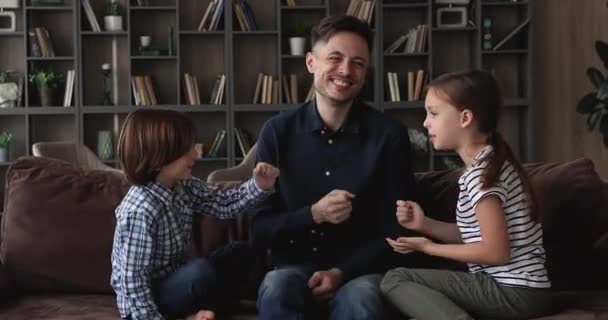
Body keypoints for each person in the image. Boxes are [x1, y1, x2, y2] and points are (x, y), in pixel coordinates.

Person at [253, 15, 417, 320]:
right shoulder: (277, 132)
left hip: (360, 270)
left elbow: (397, 228)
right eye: (335, 58)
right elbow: (260, 229)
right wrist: (313, 214)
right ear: (311, 62)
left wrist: (342, 272)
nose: (346, 70)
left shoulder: (389, 135)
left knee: (361, 299)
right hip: (292, 266)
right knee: (277, 285)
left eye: (358, 62)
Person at [380, 70, 553, 320]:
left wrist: (429, 248)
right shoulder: (493, 163)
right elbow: (479, 235)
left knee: (395, 279)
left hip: (515, 292)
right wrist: (424, 224)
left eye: (434, 113)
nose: (425, 122)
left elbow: (496, 252)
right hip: (526, 292)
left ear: (465, 118)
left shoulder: (481, 176)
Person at [110, 109, 279, 320]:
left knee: (240, 252)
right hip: (150, 298)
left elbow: (222, 203)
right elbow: (133, 284)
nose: (196, 154)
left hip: (176, 279)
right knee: (200, 273)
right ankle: (199, 312)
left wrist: (260, 186)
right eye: (186, 150)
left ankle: (205, 310)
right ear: (158, 157)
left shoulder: (182, 185)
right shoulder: (139, 211)